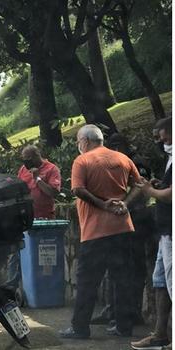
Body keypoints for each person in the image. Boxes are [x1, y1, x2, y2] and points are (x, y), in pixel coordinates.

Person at [59, 124, 142, 339]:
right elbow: (139, 185)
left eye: (78, 141)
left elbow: (78, 190)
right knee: (123, 279)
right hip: (123, 228)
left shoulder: (83, 160)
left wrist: (102, 204)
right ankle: (124, 327)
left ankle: (80, 328)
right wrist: (125, 203)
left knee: (87, 282)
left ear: (85, 141)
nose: (79, 145)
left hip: (95, 233)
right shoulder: (123, 159)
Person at [91, 134, 154, 326]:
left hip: (136, 219)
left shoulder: (135, 162)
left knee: (132, 269)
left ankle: (129, 313)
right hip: (118, 220)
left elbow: (141, 189)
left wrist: (124, 204)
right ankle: (113, 311)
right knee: (115, 267)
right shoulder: (116, 161)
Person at [131, 117, 172, 350]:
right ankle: (160, 334)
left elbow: (171, 195)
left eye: (163, 136)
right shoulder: (170, 158)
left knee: (172, 283)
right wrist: (157, 185)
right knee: (160, 282)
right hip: (164, 231)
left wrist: (149, 190)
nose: (160, 141)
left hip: (171, 233)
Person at [6, 145, 61, 291]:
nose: (26, 164)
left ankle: (43, 287)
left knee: (41, 256)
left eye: (29, 160)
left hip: (44, 219)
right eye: (24, 161)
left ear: (37, 156)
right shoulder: (23, 170)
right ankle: (11, 287)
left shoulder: (51, 169)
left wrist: (37, 178)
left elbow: (53, 193)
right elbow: (18, 189)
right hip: (24, 219)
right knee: (16, 253)